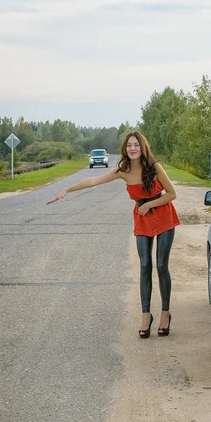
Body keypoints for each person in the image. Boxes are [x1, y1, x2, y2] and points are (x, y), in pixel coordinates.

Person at [46, 131, 180, 338]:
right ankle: (146, 316)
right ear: (125, 149)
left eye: (136, 145)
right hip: (142, 219)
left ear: (142, 147)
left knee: (162, 266)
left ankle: (165, 313)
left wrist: (150, 204)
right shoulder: (123, 170)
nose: (132, 148)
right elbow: (93, 181)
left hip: (163, 216)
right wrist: (67, 189)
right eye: (129, 146)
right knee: (145, 265)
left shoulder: (154, 168)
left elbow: (172, 194)